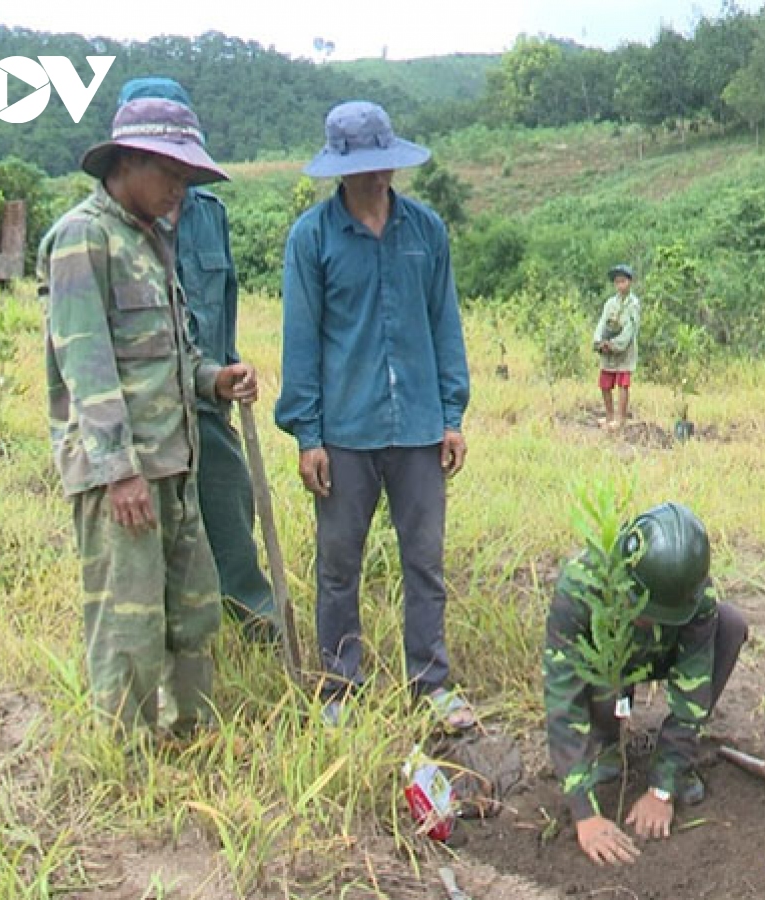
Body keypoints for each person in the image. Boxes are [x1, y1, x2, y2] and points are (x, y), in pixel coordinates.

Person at [39, 98, 258, 739]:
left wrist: (214, 380)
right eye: (170, 175)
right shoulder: (85, 237)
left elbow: (173, 357)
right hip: (124, 479)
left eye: (188, 181)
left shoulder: (152, 242)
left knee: (192, 614)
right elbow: (87, 365)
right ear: (129, 162)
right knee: (128, 627)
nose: (179, 193)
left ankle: (190, 736)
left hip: (175, 462)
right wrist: (120, 472)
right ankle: (127, 763)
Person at [276, 101, 473, 729]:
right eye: (364, 168)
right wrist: (308, 435)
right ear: (340, 168)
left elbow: (445, 323)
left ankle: (431, 683)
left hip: (418, 426)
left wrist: (451, 413)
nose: (377, 178)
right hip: (346, 433)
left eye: (384, 165)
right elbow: (301, 342)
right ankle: (340, 688)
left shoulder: (426, 231)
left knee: (426, 560)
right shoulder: (313, 238)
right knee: (338, 566)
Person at [118, 77, 280, 645]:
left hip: (208, 405)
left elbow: (225, 303)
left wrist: (231, 372)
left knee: (233, 514)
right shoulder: (113, 229)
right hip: (144, 418)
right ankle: (168, 645)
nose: (176, 179)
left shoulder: (211, 215)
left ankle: (262, 629)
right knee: (152, 541)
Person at [543, 502, 749, 866]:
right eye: (644, 609)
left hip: (661, 654)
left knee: (730, 625)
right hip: (610, 661)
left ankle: (676, 760)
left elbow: (693, 691)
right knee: (601, 663)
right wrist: (585, 814)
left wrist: (662, 789)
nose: (649, 619)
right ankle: (605, 745)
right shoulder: (581, 586)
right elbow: (563, 699)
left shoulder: (694, 596)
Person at [593, 264, 641, 430]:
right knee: (605, 383)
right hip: (607, 348)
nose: (620, 285)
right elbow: (601, 323)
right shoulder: (610, 303)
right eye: (617, 282)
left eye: (623, 281)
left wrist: (615, 345)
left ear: (630, 282)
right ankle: (609, 416)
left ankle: (620, 419)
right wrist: (599, 342)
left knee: (623, 383)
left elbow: (630, 330)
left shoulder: (633, 304)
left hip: (624, 350)